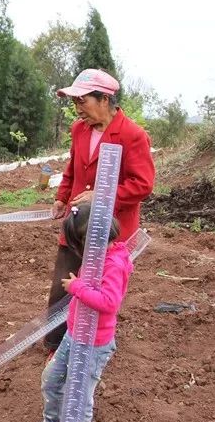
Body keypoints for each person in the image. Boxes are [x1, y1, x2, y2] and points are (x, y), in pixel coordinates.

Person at [42, 69, 155, 354]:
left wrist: (103, 194)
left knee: (100, 288)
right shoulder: (79, 130)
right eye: (75, 103)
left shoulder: (132, 135)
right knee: (63, 283)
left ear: (104, 99)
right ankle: (56, 343)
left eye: (83, 102)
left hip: (111, 230)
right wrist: (61, 197)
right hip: (77, 224)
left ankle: (93, 345)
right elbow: (73, 167)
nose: (78, 109)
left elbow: (143, 184)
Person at [26, 204, 133, 422]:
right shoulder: (96, 257)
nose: (80, 250)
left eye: (81, 242)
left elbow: (109, 302)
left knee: (80, 399)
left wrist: (76, 287)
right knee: (51, 379)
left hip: (94, 344)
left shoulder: (114, 263)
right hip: (74, 334)